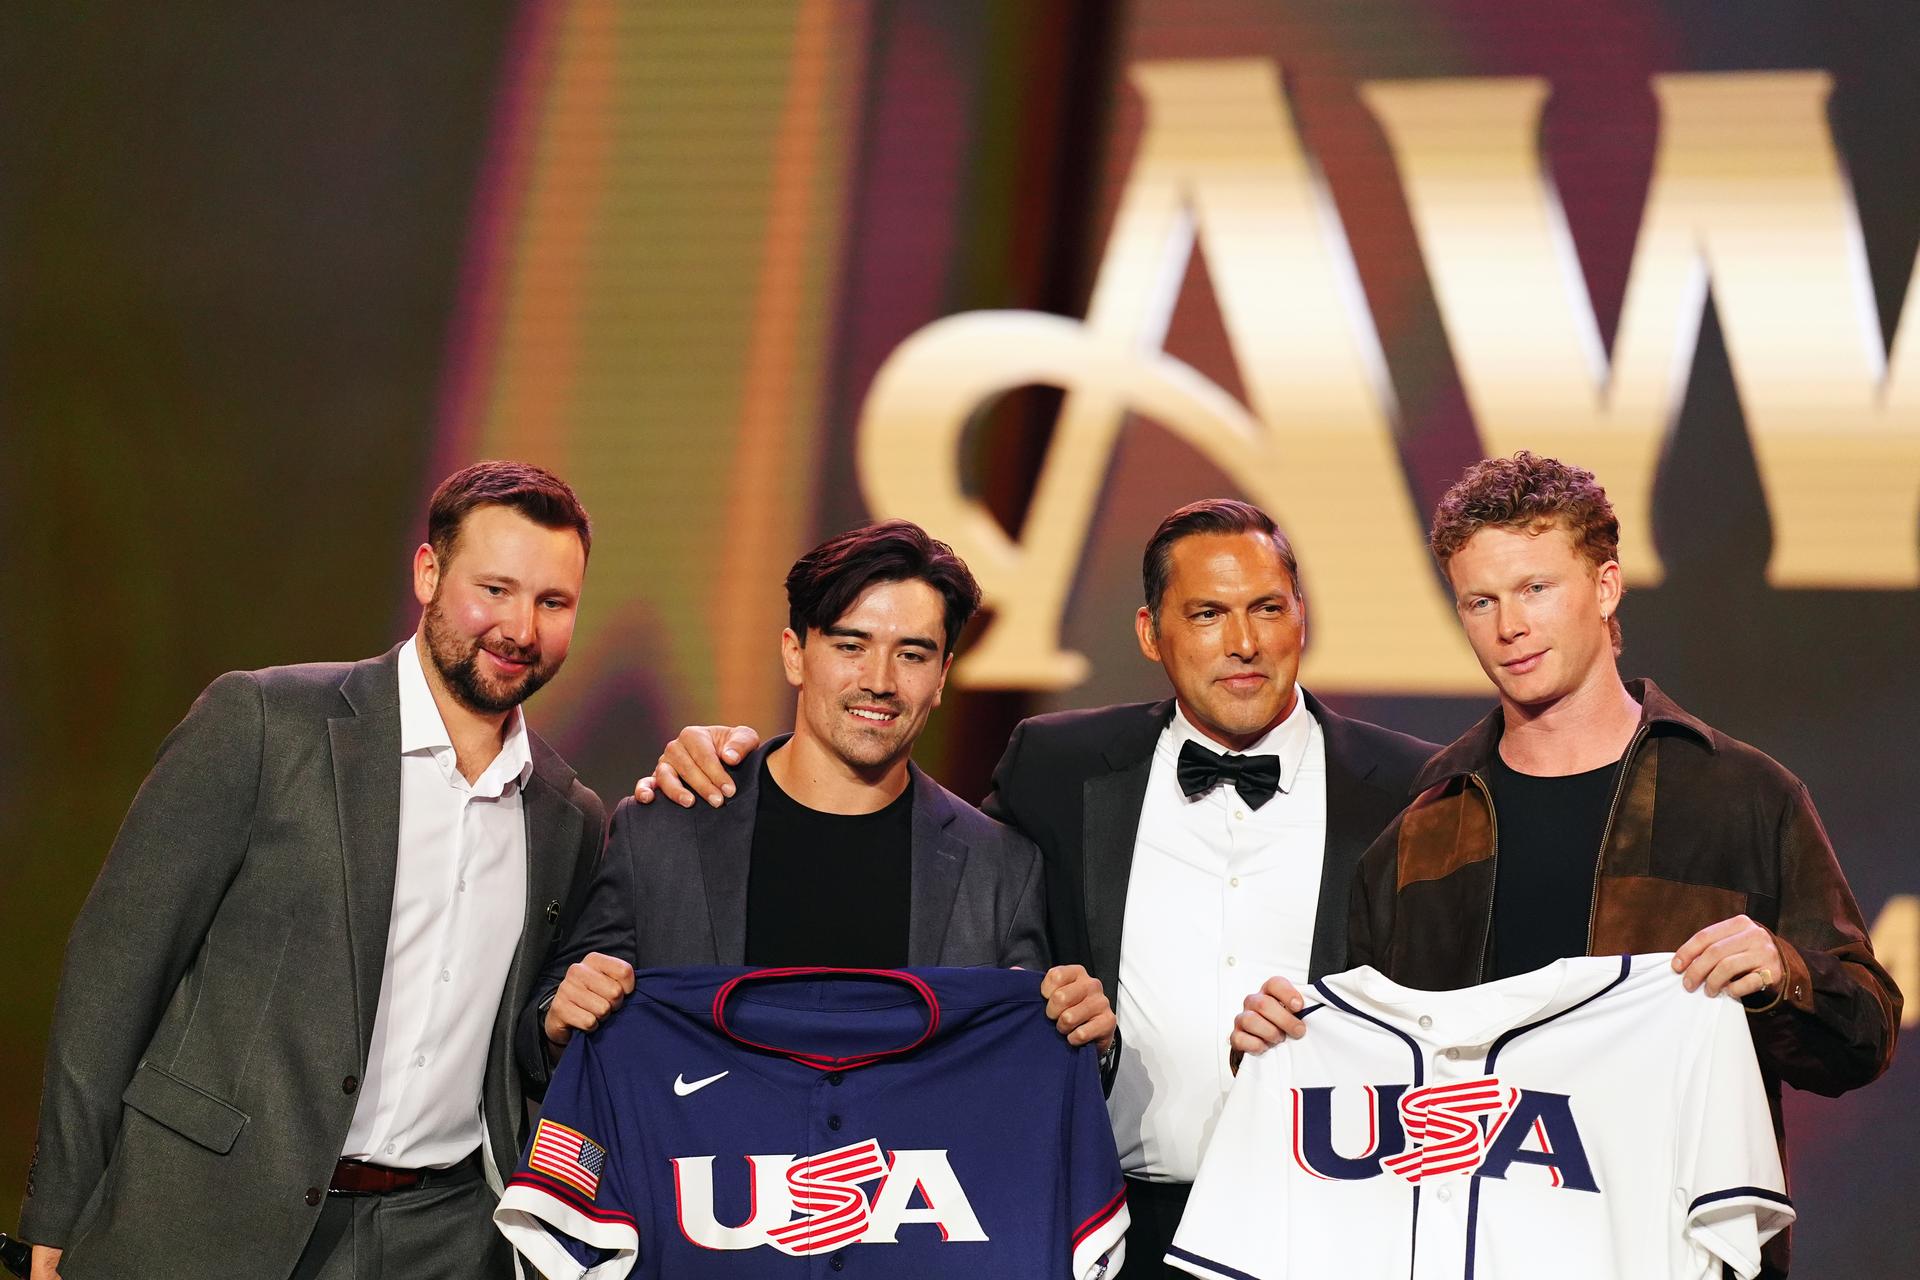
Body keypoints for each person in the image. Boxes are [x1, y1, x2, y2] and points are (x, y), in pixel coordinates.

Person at [636, 500, 1437, 1278]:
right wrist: (721, 753)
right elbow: (939, 894)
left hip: (1332, 1219)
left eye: (1266, 607)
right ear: (1150, 633)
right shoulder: (1056, 768)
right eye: (1205, 614)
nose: (1243, 642)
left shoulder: (1414, 787)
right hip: (1108, 1224)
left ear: (1303, 615)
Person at [19, 462, 606, 1280]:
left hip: (440, 1237)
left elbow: (522, 1042)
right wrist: (58, 1206)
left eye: (553, 603)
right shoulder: (265, 722)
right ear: (428, 574)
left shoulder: (570, 815)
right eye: (496, 589)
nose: (519, 628)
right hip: (203, 1212)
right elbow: (118, 969)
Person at [1339, 451, 1900, 1279]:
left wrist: (1782, 971)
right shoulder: (1421, 828)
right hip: (1468, 1248)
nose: (1509, 627)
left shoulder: (1742, 794)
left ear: (1605, 587)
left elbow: (1867, 1036)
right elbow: (1371, 1074)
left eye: (1536, 589)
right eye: (1479, 601)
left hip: (1673, 1241)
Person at [523, 519, 1114, 1093]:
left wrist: (1081, 1033)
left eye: (912, 654)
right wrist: (558, 1017)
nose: (879, 681)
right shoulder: (664, 829)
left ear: (941, 676)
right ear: (795, 654)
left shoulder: (1001, 870)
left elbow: (1026, 1078)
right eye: (851, 645)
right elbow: (547, 1030)